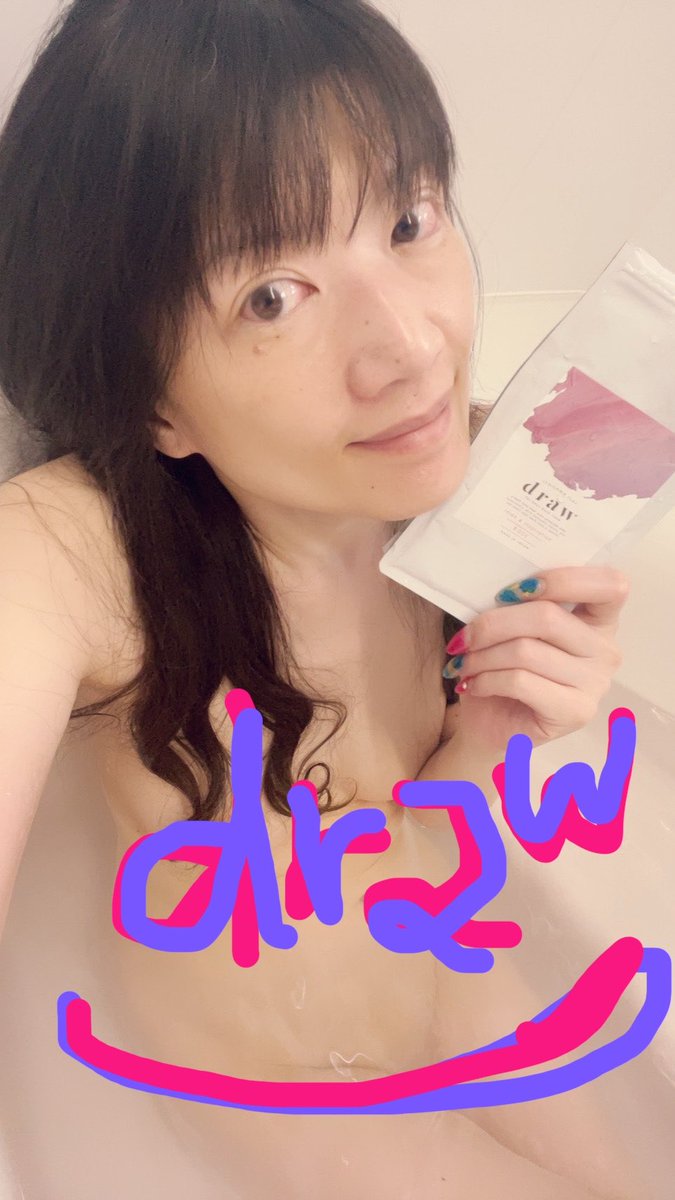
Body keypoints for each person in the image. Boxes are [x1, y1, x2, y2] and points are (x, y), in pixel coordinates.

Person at [0, 2, 633, 1197]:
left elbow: (422, 839)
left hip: (449, 956)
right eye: (271, 296)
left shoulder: (470, 482)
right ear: (152, 401)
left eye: (408, 220)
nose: (413, 349)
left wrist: (493, 729)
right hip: (280, 1083)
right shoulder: (75, 554)